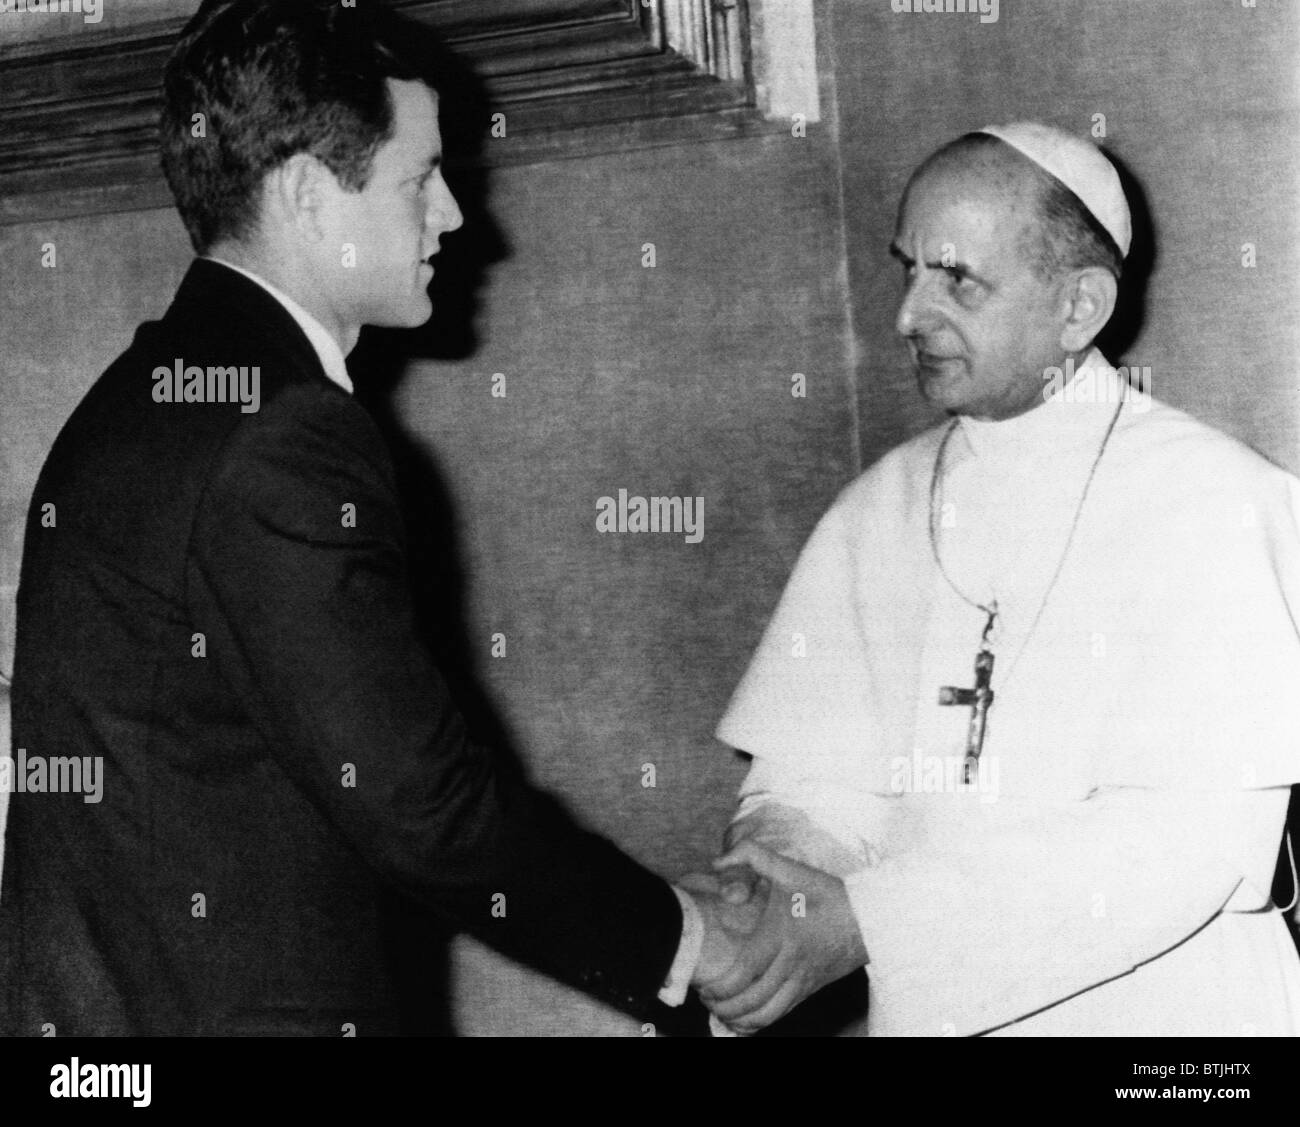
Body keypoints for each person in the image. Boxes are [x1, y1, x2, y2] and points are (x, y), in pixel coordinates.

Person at [0, 0, 772, 1036]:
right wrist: (688, 940)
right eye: (420, 178)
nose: (453, 214)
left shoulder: (143, 393)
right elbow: (425, 811)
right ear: (312, 196)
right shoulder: (281, 432)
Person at [699, 122, 1300, 1036]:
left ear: (1079, 307)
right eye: (908, 268)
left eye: (957, 280)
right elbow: (824, 778)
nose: (905, 313)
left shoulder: (1217, 501)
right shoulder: (879, 507)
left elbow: (1184, 851)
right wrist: (773, 874)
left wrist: (868, 924)